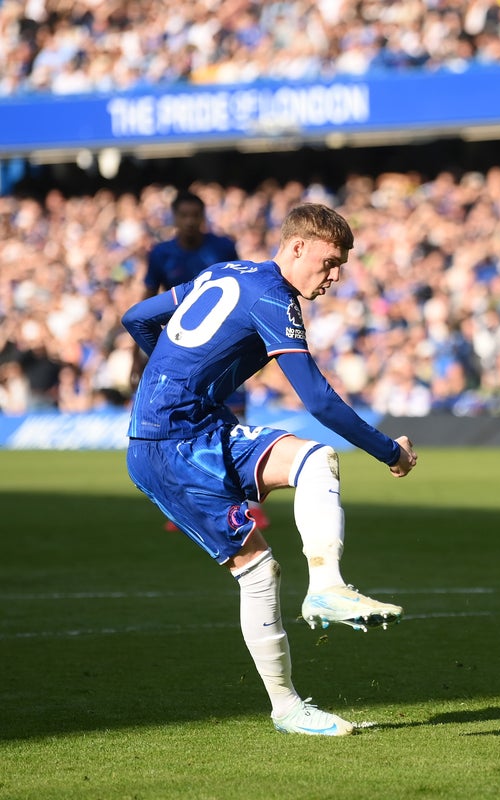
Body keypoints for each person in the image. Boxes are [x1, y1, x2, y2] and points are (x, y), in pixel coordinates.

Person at [122, 203, 418, 736]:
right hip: (168, 447)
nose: (333, 277)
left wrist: (179, 375)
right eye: (329, 262)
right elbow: (321, 404)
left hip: (199, 428)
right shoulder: (273, 296)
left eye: (341, 267)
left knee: (314, 459)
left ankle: (327, 584)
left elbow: (138, 318)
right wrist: (390, 453)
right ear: (297, 246)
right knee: (258, 571)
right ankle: (287, 708)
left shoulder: (226, 271)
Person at [136, 190, 270, 528]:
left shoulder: (222, 248)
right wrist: (138, 356)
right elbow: (145, 302)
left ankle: (246, 504)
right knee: (182, 427)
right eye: (184, 215)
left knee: (233, 423)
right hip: (178, 353)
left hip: (221, 353)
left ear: (203, 216)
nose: (190, 221)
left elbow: (242, 287)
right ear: (174, 218)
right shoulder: (161, 253)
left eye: (196, 215)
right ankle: (185, 502)